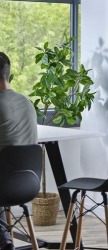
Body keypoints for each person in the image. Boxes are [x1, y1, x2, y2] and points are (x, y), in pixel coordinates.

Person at [0, 52, 38, 250]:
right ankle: (4, 238)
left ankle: (3, 237)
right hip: (29, 184)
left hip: (4, 185)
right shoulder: (27, 103)